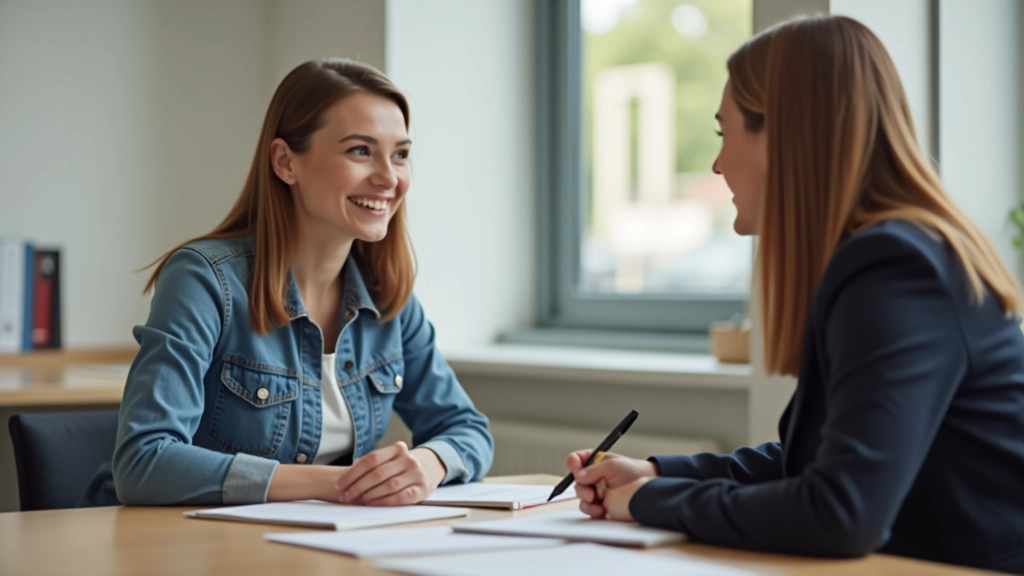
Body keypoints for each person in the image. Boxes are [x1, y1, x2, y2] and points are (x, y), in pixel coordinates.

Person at [567, 16, 1024, 573]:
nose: (716, 163)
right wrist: (660, 474)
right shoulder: (882, 257)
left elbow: (838, 510)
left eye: (723, 132)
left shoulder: (897, 269)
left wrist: (648, 502)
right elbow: (818, 464)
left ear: (784, 135)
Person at [81, 59, 493, 507]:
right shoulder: (204, 281)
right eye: (360, 151)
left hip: (310, 543)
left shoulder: (387, 296)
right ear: (285, 162)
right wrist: (344, 485)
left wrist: (428, 464)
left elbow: (468, 429)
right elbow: (145, 463)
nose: (389, 178)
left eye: (400, 154)